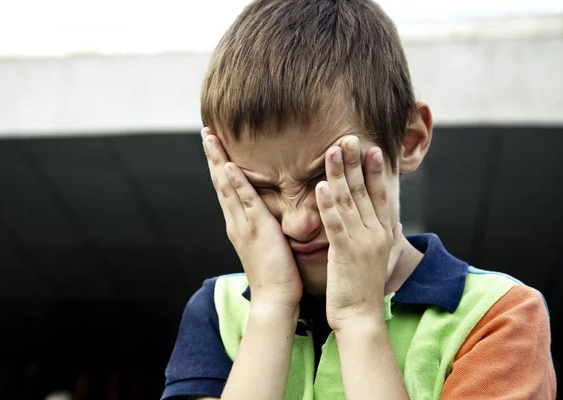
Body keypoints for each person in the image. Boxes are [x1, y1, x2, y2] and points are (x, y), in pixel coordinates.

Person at [162, 0, 557, 399]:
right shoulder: (219, 311)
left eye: (324, 176)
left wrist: (359, 321)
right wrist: (271, 307)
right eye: (261, 188)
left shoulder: (497, 316)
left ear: (409, 140)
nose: (297, 223)